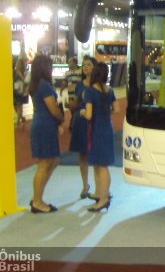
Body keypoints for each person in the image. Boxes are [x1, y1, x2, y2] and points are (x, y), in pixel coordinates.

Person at [28, 54, 64, 213]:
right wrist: (61, 118)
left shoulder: (37, 84)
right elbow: (53, 109)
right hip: (44, 126)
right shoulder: (44, 86)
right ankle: (37, 201)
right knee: (44, 163)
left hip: (42, 125)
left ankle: (37, 195)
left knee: (53, 160)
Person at [81, 62, 119, 212]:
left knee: (100, 166)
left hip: (96, 130)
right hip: (107, 129)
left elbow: (89, 114)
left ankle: (103, 199)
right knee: (101, 164)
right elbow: (117, 108)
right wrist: (105, 114)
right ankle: (102, 193)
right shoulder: (109, 90)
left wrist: (83, 113)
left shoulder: (90, 91)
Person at [68, 55, 96, 199]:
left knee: (97, 155)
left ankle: (100, 187)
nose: (85, 67)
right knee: (82, 154)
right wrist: (71, 105)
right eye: (84, 65)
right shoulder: (79, 86)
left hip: (94, 122)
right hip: (81, 121)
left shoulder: (99, 85)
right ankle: (85, 185)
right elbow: (77, 103)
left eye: (89, 64)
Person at [13, 58, 28, 125]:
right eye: (17, 64)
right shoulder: (14, 71)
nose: (18, 65)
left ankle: (18, 121)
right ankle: (21, 117)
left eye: (20, 64)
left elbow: (25, 80)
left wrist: (19, 74)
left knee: (19, 105)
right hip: (15, 90)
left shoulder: (25, 72)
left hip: (21, 90)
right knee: (15, 105)